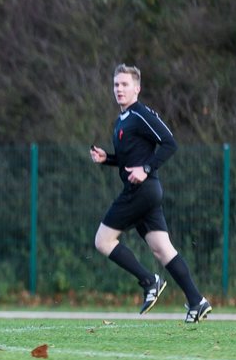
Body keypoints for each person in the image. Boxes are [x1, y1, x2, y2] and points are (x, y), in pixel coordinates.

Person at [90, 64, 212, 322]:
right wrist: (107, 159)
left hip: (142, 190)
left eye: (124, 84)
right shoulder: (121, 120)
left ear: (137, 88)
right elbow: (129, 158)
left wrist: (146, 168)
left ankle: (150, 281)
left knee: (103, 241)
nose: (119, 89)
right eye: (116, 85)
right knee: (161, 249)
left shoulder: (141, 114)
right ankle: (197, 301)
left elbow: (170, 143)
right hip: (146, 192)